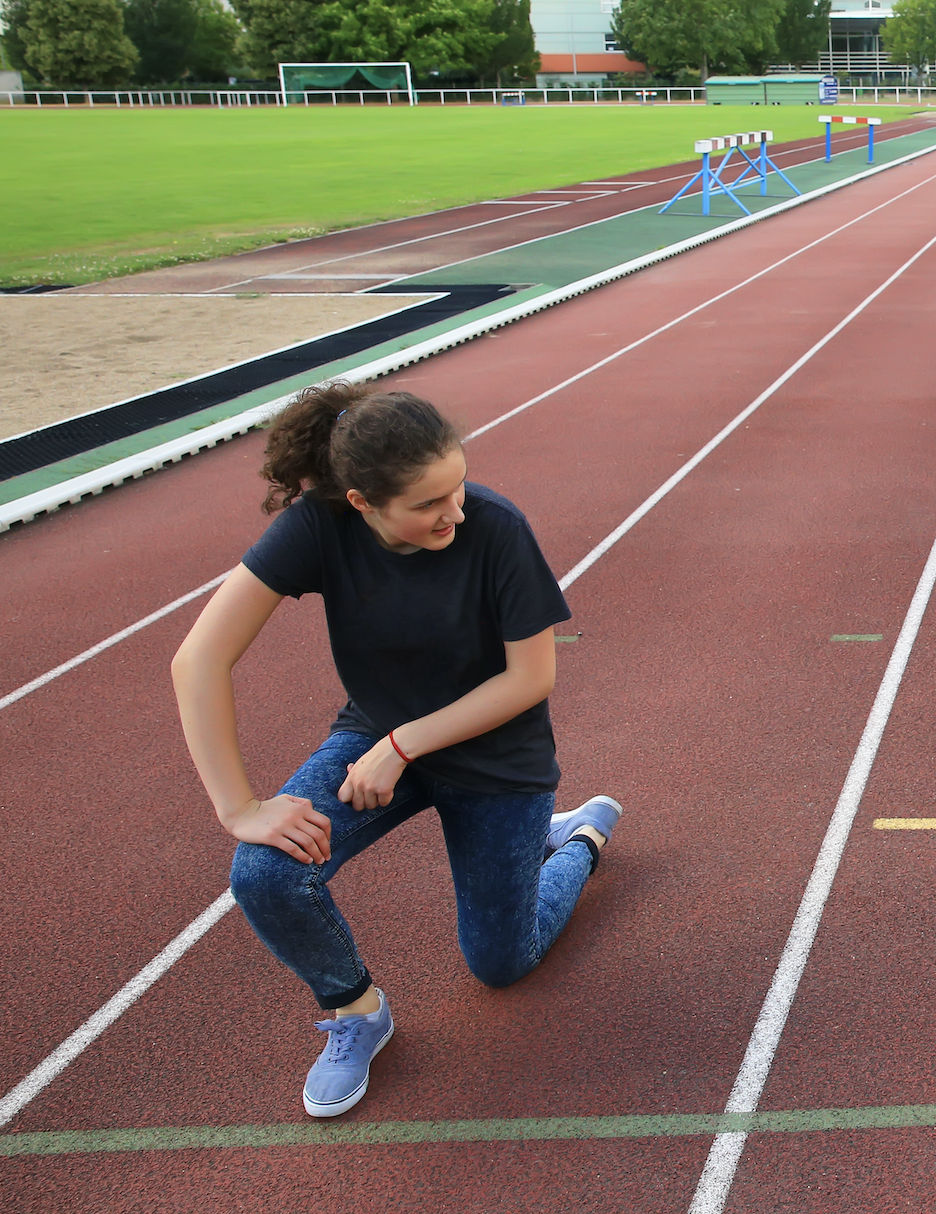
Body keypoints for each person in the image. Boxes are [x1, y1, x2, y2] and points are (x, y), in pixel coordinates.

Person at [171, 382, 621, 1119]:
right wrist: (239, 807)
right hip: (374, 738)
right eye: (428, 504)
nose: (456, 511)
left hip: (495, 760)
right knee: (264, 872)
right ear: (362, 503)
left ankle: (576, 839)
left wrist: (401, 745)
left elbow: (530, 678)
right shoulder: (316, 528)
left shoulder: (497, 529)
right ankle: (356, 1012)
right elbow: (197, 661)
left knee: (502, 965)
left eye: (459, 487)